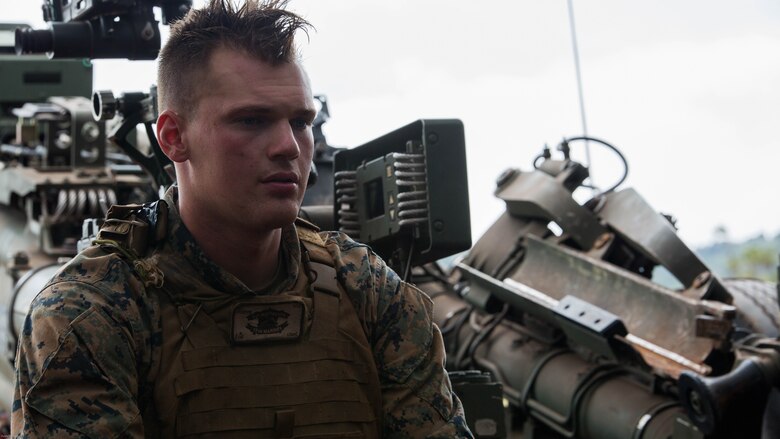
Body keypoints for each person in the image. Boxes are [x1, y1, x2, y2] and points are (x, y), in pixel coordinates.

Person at [12, 0, 473, 437]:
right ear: (173, 138)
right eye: (251, 120)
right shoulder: (93, 311)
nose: (289, 147)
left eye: (300, 121)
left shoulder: (368, 290)